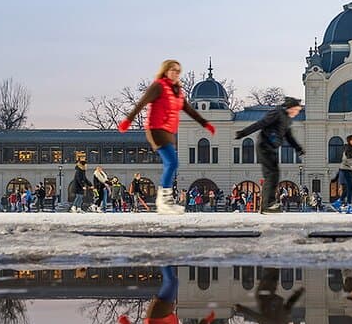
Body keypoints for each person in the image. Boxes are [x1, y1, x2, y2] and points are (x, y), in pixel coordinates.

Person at [118, 59, 216, 214]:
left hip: (168, 131)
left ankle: (165, 199)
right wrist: (128, 120)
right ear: (165, 70)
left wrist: (205, 123)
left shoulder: (177, 91)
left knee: (171, 163)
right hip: (156, 128)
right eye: (173, 70)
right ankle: (164, 200)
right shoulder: (159, 86)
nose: (176, 73)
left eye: (178, 70)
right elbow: (142, 103)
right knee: (172, 162)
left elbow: (189, 110)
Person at [233, 97, 304, 213]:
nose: (297, 113)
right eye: (296, 110)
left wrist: (298, 148)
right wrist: (243, 133)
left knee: (275, 174)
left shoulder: (286, 120)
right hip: (264, 146)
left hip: (270, 149)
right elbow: (261, 123)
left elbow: (289, 137)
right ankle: (267, 205)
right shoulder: (277, 113)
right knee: (271, 174)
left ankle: (268, 204)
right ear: (290, 108)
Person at [234, 268, 304, 324]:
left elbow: (259, 318)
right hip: (270, 295)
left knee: (274, 270)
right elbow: (288, 306)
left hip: (264, 295)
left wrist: (241, 309)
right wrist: (298, 294)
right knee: (275, 271)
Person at [332, 135, 352, 214]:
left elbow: (348, 161)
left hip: (344, 170)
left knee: (346, 189)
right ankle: (349, 207)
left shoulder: (349, 148)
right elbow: (350, 161)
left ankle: (337, 203)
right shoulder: (350, 149)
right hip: (346, 170)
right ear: (351, 141)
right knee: (350, 189)